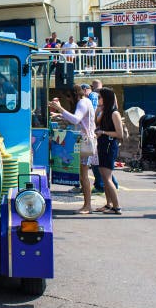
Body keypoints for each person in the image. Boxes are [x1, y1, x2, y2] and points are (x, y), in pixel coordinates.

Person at [50, 84, 96, 214]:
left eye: (69, 97)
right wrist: (59, 114)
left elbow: (76, 120)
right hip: (84, 141)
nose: (69, 100)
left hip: (84, 142)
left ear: (74, 94)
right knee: (82, 175)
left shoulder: (82, 102)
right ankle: (87, 205)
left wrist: (60, 108)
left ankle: (88, 206)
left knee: (84, 176)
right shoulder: (85, 101)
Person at [93, 87, 123, 214]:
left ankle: (116, 206)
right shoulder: (103, 111)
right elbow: (95, 123)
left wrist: (103, 132)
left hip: (109, 145)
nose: (97, 100)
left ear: (106, 98)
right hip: (102, 144)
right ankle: (109, 204)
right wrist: (98, 110)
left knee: (107, 177)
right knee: (103, 177)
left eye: (99, 97)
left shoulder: (114, 113)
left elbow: (120, 134)